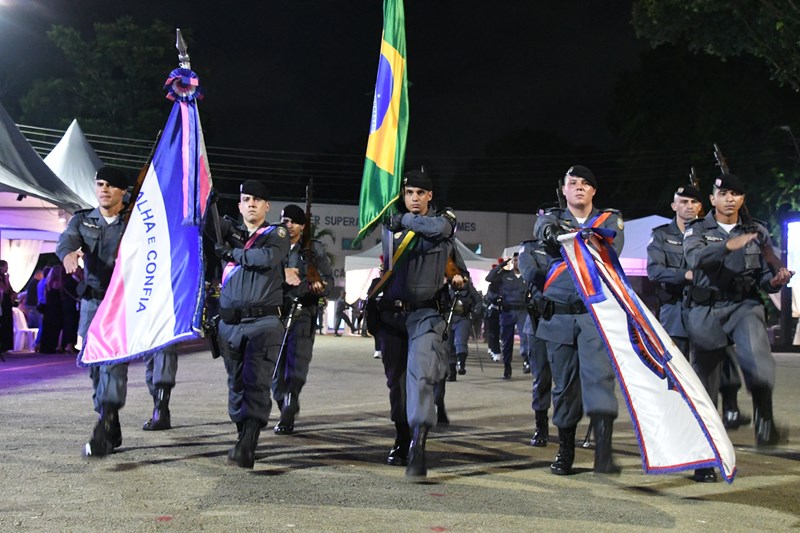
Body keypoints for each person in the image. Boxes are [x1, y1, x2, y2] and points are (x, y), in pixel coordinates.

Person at [684, 174, 792, 455]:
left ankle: (765, 423)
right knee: (706, 377)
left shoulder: (757, 231)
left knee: (759, 362)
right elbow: (695, 259)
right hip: (707, 308)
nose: (729, 199)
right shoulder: (697, 229)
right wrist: (726, 246)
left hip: (745, 305)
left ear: (742, 199)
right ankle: (707, 442)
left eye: (735, 194)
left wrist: (776, 281)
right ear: (712, 199)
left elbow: (765, 278)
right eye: (723, 194)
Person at [372, 170, 463, 479]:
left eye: (420, 193)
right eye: (409, 192)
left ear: (430, 196)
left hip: (426, 315)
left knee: (422, 379)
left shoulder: (443, 223)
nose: (414, 198)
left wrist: (404, 221)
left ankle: (419, 446)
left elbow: (439, 230)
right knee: (396, 384)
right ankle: (402, 436)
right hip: (392, 317)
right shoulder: (390, 225)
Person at [534, 165, 624, 475]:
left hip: (593, 316)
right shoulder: (551, 218)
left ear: (594, 191)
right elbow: (542, 231)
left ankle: (604, 451)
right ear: (564, 189)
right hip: (558, 318)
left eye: (586, 183)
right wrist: (554, 232)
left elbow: (609, 245)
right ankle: (565, 450)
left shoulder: (609, 219)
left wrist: (572, 237)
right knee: (564, 388)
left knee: (600, 381)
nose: (579, 188)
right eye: (573, 183)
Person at [647, 183, 750, 443]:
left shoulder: (712, 232)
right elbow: (654, 271)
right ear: (674, 206)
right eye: (683, 202)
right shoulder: (661, 235)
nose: (689, 206)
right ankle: (677, 429)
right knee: (677, 376)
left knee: (712, 375)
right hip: (676, 313)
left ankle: (714, 427)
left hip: (709, 311)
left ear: (701, 206)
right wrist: (687, 275)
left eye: (693, 202)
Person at [212, 180, 290, 468]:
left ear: (267, 206)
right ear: (239, 205)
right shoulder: (227, 233)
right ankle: (242, 434)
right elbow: (202, 227)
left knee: (256, 383)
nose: (251, 204)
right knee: (236, 384)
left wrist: (231, 253)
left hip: (264, 323)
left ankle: (248, 442)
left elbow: (267, 258)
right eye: (246, 199)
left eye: (258, 199)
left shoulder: (276, 234)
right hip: (230, 324)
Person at [56, 166, 130, 457]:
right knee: (96, 368)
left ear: (123, 191)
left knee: (114, 366)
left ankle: (105, 423)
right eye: (100, 183)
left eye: (111, 185)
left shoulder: (135, 222)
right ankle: (109, 417)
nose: (104, 189)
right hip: (92, 305)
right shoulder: (83, 219)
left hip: (121, 304)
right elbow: (67, 241)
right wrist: (69, 254)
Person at [272, 203, 333, 435]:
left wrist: (318, 287)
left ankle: (290, 404)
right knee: (274, 368)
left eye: (293, 222)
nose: (288, 225)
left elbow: (328, 281)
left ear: (302, 226)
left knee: (297, 364)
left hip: (303, 313)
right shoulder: (274, 246)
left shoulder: (313, 250)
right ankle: (285, 402)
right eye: (284, 220)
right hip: (277, 312)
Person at [518, 237, 553, 447]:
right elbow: (530, 273)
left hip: (566, 319)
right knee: (541, 376)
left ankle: (569, 426)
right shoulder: (530, 248)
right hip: (538, 319)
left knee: (570, 380)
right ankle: (541, 426)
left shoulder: (570, 245)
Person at [485, 253, 530, 379]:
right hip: (507, 311)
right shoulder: (505, 275)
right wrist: (501, 265)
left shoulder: (527, 275)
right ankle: (507, 367)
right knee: (506, 341)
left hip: (523, 311)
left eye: (519, 261)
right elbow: (489, 278)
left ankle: (526, 360)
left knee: (526, 337)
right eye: (515, 261)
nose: (516, 263)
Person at [447, 276, 481, 376]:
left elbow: (478, 301)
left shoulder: (468, 287)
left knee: (460, 342)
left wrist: (474, 313)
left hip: (463, 317)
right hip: (448, 318)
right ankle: (451, 371)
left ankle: (461, 364)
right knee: (448, 345)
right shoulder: (445, 285)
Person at [0, 260, 15, 355]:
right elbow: (5, 290)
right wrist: (6, 279)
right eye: (6, 266)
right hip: (2, 303)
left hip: (7, 303)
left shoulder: (4, 277)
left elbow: (10, 290)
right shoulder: (1, 278)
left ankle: (7, 345)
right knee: (4, 323)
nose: (7, 268)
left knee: (8, 323)